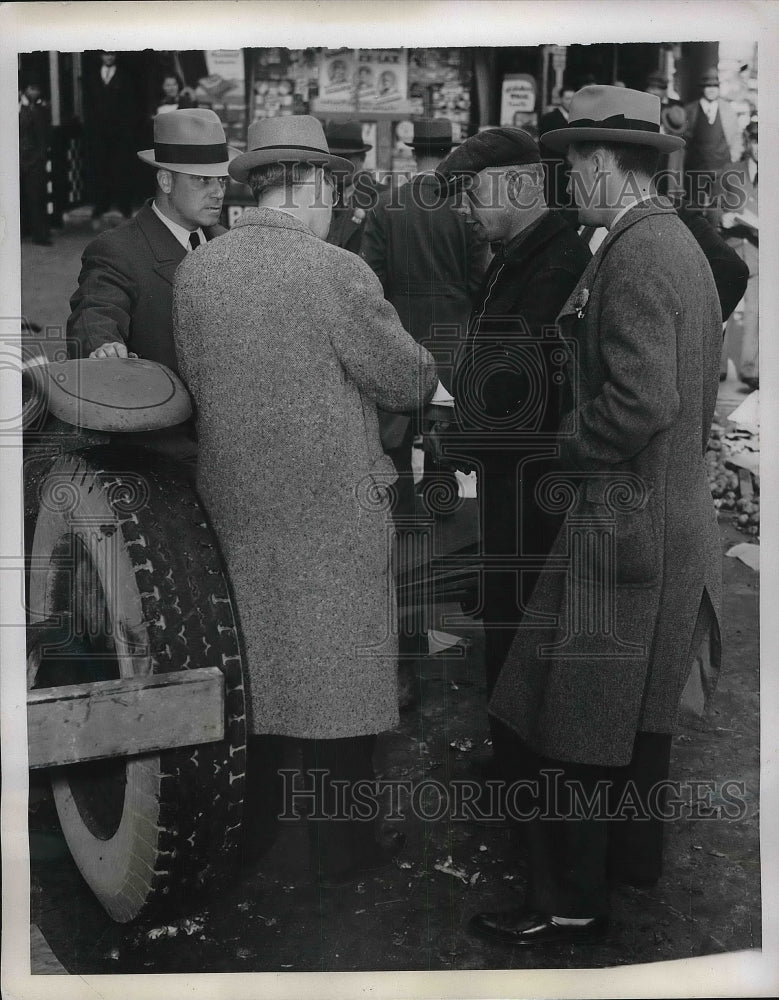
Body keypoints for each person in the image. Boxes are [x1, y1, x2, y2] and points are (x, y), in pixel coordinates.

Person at [472, 85, 723, 946]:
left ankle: (569, 902)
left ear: (608, 164)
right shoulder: (673, 242)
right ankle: (627, 865)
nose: (568, 181)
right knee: (636, 713)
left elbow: (640, 399)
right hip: (663, 515)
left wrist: (563, 443)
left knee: (567, 715)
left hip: (623, 521)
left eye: (575, 166)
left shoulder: (637, 253)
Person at [172, 115, 438, 886]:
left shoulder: (199, 271)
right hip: (331, 509)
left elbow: (195, 382)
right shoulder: (335, 272)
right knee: (340, 682)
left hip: (234, 504)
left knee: (252, 670)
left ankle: (251, 837)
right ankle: (341, 850)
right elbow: (405, 379)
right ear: (317, 184)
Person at [434, 127, 591, 788]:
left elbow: (516, 380)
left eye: (473, 192)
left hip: (533, 481)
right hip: (511, 475)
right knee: (503, 612)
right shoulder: (517, 250)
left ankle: (524, 771)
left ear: (522, 185)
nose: (465, 208)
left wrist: (462, 426)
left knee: (520, 616)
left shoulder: (555, 260)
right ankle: (511, 758)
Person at [67, 108, 233, 467]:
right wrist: (104, 348)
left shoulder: (226, 244)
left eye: (222, 180)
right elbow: (94, 312)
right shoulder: (118, 249)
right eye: (202, 181)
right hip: (163, 450)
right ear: (166, 181)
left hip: (229, 445)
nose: (218, 192)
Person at [361, 118, 489, 513]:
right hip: (452, 331)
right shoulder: (465, 206)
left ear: (413, 152)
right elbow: (479, 278)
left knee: (396, 434)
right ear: (450, 153)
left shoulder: (385, 205)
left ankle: (405, 516)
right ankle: (443, 511)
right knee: (442, 428)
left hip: (399, 331)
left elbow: (371, 279)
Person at [719, 118, 758, 390]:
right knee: (724, 309)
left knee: (756, 311)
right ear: (747, 142)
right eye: (755, 140)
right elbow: (712, 204)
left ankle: (750, 369)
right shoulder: (731, 171)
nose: (760, 147)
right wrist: (723, 218)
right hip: (732, 248)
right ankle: (717, 365)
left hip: (758, 249)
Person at [683, 68, 743, 222]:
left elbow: (736, 137)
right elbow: (683, 139)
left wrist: (733, 160)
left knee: (718, 208)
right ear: (702, 88)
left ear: (718, 88)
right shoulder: (690, 110)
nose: (711, 89)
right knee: (693, 208)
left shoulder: (728, 110)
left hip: (721, 168)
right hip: (696, 168)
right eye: (707, 86)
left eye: (714, 86)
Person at [84, 51, 137, 226]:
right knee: (100, 169)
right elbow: (88, 104)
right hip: (98, 133)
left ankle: (124, 207)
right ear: (100, 56)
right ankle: (100, 206)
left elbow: (131, 105)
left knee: (121, 169)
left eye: (112, 54)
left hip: (120, 133)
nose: (109, 57)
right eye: (106, 54)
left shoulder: (126, 77)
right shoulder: (91, 77)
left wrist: (126, 129)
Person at [324, 120, 387, 254]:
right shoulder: (314, 195)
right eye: (334, 158)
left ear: (362, 158)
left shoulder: (382, 197)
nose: (339, 165)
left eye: (346, 158)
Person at [18, 77, 52, 246]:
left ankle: (40, 234)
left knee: (36, 197)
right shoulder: (17, 107)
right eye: (32, 88)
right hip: (17, 158)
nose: (35, 92)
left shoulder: (40, 108)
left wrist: (40, 156)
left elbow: (42, 135)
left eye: (37, 89)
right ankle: (22, 230)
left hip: (34, 159)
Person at [538, 86, 576, 223]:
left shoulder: (577, 119)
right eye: (567, 98)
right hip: (554, 170)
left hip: (570, 171)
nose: (570, 101)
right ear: (560, 99)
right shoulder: (548, 119)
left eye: (573, 98)